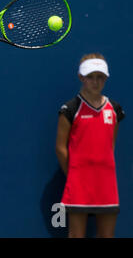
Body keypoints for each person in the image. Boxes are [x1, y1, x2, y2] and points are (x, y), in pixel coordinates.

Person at [55, 53, 125, 238]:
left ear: (106, 78)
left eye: (100, 77)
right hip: (79, 184)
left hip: (106, 183)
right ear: (81, 78)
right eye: (90, 77)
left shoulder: (114, 109)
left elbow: (110, 144)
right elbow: (60, 148)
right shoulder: (70, 109)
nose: (96, 82)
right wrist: (74, 174)